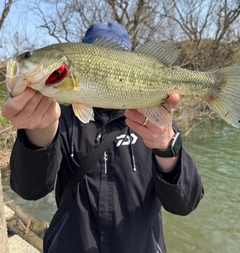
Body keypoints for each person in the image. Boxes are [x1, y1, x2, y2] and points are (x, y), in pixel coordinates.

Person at [2, 22, 204, 253]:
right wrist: (37, 132)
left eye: (29, 57)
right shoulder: (61, 118)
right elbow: (30, 190)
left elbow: (186, 203)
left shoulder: (155, 123)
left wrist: (166, 147)